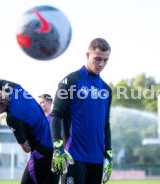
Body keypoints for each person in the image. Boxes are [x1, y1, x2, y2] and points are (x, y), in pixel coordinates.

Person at [50, 38, 113, 184]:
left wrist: (108, 153)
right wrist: (58, 146)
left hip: (98, 161)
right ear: (87, 55)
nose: (101, 64)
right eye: (98, 59)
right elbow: (56, 115)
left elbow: (106, 125)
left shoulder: (107, 90)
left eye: (105, 60)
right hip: (73, 158)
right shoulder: (70, 81)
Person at [0, 73, 59, 184]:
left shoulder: (12, 118)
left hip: (42, 153)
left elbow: (26, 148)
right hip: (54, 148)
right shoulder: (14, 89)